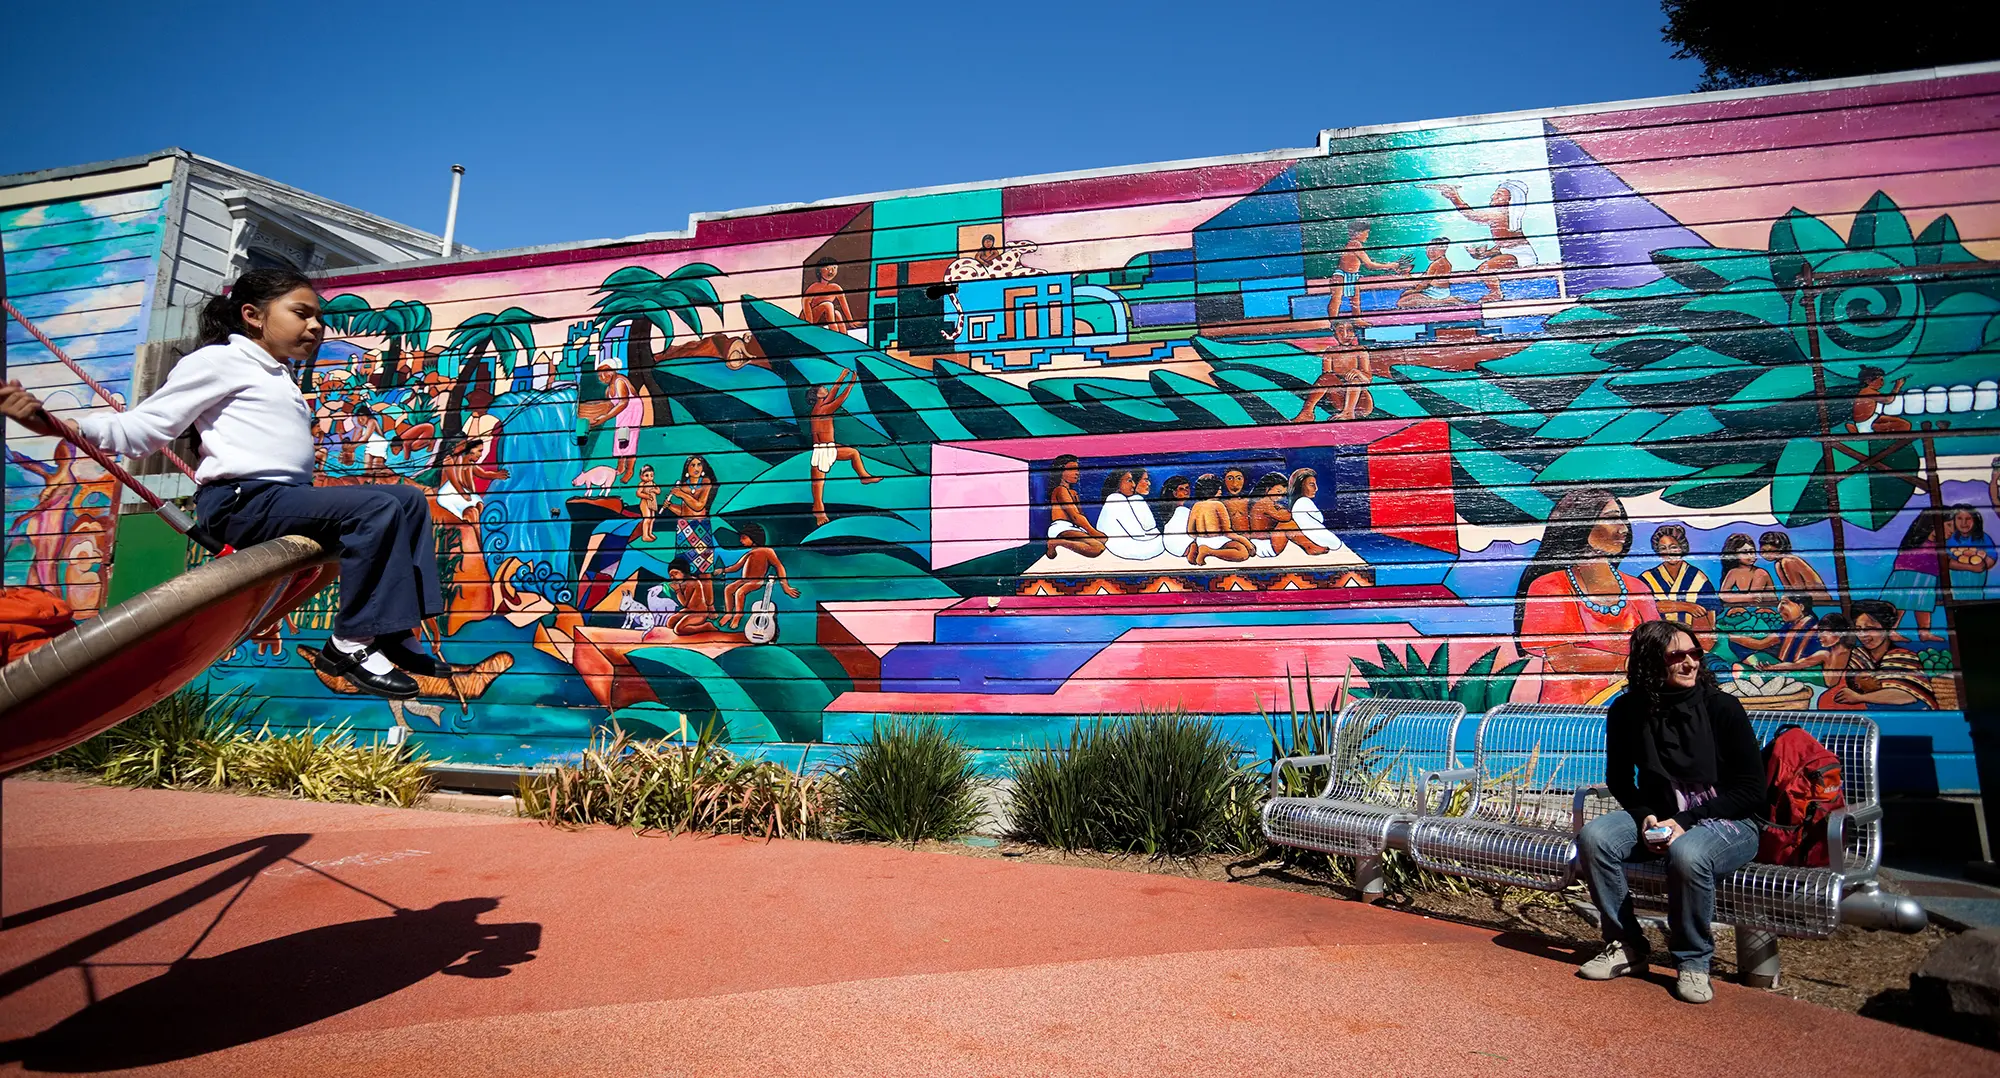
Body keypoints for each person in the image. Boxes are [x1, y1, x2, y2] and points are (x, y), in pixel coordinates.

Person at [0, 268, 446, 700]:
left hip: (279, 500)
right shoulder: (219, 361)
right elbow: (143, 430)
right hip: (241, 503)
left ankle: (393, 629)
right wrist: (55, 425)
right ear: (253, 315)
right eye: (301, 313)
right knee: (376, 508)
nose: (315, 326)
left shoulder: (278, 373)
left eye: (319, 318)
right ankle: (350, 644)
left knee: (406, 499)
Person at [1574, 620, 1766, 1005]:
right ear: (1650, 662)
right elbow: (1620, 778)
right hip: (1661, 815)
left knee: (1688, 853)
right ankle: (1626, 945)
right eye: (1676, 656)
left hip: (1730, 821)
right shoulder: (1628, 710)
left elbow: (1751, 790)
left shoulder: (1722, 707)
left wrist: (1685, 822)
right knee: (1595, 838)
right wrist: (1645, 814)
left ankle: (1693, 962)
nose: (1690, 663)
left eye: (1695, 654)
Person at [1517, 487, 1662, 705]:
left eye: (1623, 519)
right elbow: (1564, 659)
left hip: (1634, 709)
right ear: (1580, 525)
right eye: (1612, 519)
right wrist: (1634, 665)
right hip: (1572, 718)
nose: (1623, 528)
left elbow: (1656, 646)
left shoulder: (1637, 588)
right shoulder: (1550, 587)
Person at [1422, 179, 1536, 301]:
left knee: (1484, 269)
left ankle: (1496, 293)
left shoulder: (1500, 214)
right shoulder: (1502, 215)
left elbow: (1472, 216)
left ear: (1509, 199)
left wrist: (1454, 197)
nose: (1493, 196)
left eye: (1499, 194)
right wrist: (1484, 254)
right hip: (1513, 252)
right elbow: (1506, 244)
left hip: (1521, 255)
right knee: (1485, 267)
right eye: (1495, 193)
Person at [1828, 599, 1938, 709]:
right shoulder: (1856, 655)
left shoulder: (1903, 656)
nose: (1863, 635)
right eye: (1858, 629)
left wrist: (1859, 697)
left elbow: (1907, 695)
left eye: (1870, 629)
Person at [807, 369, 880, 526]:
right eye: (821, 388)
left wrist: (842, 376)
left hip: (827, 447)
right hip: (823, 450)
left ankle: (864, 477)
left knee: (852, 453)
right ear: (817, 394)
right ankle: (818, 509)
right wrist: (852, 383)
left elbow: (834, 391)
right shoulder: (822, 409)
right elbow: (841, 398)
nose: (825, 389)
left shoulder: (821, 406)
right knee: (818, 483)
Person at [1880, 509, 1949, 641]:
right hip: (1908, 574)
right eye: (1949, 525)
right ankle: (1891, 629)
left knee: (1924, 605)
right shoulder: (1919, 542)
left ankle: (1924, 632)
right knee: (1899, 602)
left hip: (1928, 577)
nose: (1952, 530)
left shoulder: (1936, 544)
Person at [717, 523, 800, 630]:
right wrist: (723, 570)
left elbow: (779, 566)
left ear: (754, 538)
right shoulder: (750, 553)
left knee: (740, 592)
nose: (741, 541)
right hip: (744, 580)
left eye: (744, 538)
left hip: (756, 581)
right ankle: (728, 613)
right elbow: (736, 567)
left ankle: (738, 615)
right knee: (728, 589)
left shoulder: (767, 551)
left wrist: (786, 586)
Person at [1637, 525, 1720, 631]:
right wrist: (1687, 607)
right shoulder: (1647, 578)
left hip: (1691, 639)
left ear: (1682, 547)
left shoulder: (1698, 577)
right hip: (1657, 637)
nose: (1669, 552)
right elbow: (1645, 606)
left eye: (1673, 547)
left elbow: (1710, 609)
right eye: (1663, 548)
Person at [1293, 322, 1374, 423]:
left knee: (1355, 380)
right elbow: (1325, 379)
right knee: (1327, 377)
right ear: (1334, 334)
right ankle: (1307, 412)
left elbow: (1368, 380)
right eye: (1340, 331)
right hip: (1338, 400)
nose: (1345, 335)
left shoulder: (1360, 350)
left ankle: (1348, 413)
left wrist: (1359, 373)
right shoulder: (1330, 351)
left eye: (1349, 330)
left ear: (1354, 333)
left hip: (1360, 403)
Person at [1328, 223, 1411, 319]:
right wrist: (1390, 265)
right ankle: (1333, 321)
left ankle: (1357, 319)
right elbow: (1369, 265)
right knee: (1337, 299)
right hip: (1341, 276)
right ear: (1358, 233)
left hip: (1352, 275)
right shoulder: (1355, 244)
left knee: (1355, 300)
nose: (1367, 236)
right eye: (1366, 232)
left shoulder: (1356, 244)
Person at [579, 363, 643, 483]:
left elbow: (624, 402)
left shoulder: (619, 382)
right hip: (622, 413)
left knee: (629, 438)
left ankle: (629, 469)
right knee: (620, 437)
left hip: (632, 411)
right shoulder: (609, 389)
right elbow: (611, 405)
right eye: (600, 375)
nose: (602, 377)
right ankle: (620, 465)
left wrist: (606, 417)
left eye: (605, 373)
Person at [1248, 471, 1327, 556]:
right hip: (1263, 545)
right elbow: (1285, 517)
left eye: (1283, 494)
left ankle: (1312, 545)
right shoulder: (1264, 502)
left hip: (1267, 541)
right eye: (1278, 491)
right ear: (1267, 489)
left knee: (1291, 524)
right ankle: (1311, 547)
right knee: (1286, 526)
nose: (1280, 496)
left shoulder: (1270, 503)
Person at [1093, 469, 1165, 560]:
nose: (1133, 485)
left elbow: (1149, 527)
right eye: (1129, 481)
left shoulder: (1133, 501)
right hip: (1130, 548)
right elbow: (1139, 533)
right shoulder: (1115, 499)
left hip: (1139, 545)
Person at [664, 454, 719, 574]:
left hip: (700, 527)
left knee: (704, 569)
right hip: (684, 528)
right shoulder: (683, 485)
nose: (696, 468)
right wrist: (670, 506)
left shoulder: (706, 482)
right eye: (692, 465)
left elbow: (699, 506)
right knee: (685, 569)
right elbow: (684, 512)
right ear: (687, 468)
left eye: (699, 464)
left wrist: (682, 494)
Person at [1729, 593, 1821, 664]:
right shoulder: (1792, 624)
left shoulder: (1810, 627)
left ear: (1801, 607)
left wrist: (1730, 637)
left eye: (1784, 603)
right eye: (1780, 603)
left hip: (1789, 666)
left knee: (1744, 649)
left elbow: (1760, 644)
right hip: (1785, 661)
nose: (1779, 608)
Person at [1044, 454, 1106, 557]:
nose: (1077, 473)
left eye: (1077, 470)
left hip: (1073, 527)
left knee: (1100, 543)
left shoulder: (1073, 493)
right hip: (1062, 528)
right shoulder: (1060, 490)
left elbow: (1080, 515)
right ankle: (1055, 542)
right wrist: (1094, 532)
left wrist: (1088, 532)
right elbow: (1074, 516)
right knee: (1097, 548)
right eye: (1072, 469)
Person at [1187, 474, 1253, 565]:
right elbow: (1227, 531)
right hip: (1217, 540)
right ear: (1214, 489)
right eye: (1220, 488)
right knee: (1243, 553)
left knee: (1201, 543)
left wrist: (1200, 538)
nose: (1221, 491)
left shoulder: (1196, 506)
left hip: (1200, 540)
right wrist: (1246, 543)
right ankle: (1208, 551)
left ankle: (1196, 547)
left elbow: (1190, 531)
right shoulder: (1218, 505)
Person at [1759, 531, 1831, 608]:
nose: (1765, 555)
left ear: (1781, 548)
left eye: (1770, 551)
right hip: (1806, 602)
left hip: (1817, 602)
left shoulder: (1788, 561)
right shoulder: (1778, 564)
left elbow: (1798, 589)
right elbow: (1788, 589)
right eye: (1763, 551)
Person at [1286, 468, 1346, 553]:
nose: (1316, 488)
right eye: (1311, 484)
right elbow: (1320, 518)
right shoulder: (1304, 501)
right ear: (1300, 486)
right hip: (1324, 540)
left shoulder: (1295, 504)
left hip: (1314, 538)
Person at [1945, 504, 1996, 601]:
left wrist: (1984, 565)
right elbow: (1946, 560)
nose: (1964, 523)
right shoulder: (1949, 538)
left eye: (1968, 518)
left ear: (1975, 520)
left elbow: (1992, 556)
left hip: (1976, 584)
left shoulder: (1983, 537)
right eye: (1959, 518)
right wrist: (1972, 567)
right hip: (1956, 583)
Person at [1717, 533, 1775, 615]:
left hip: (1767, 611)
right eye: (1745, 553)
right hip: (1751, 610)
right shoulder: (1734, 572)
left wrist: (1739, 598)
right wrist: (1746, 597)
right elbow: (1723, 595)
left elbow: (1755, 599)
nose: (1751, 556)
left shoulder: (1760, 573)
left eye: (1752, 551)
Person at [1395, 237, 1460, 308]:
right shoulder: (1443, 263)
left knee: (1401, 303)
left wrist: (1413, 291)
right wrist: (1407, 274)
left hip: (1435, 293)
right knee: (1404, 296)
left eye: (1433, 250)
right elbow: (1423, 279)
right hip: (1439, 291)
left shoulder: (1436, 264)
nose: (1430, 252)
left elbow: (1425, 283)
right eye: (1428, 249)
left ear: (1443, 251)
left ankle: (1441, 302)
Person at [1846, 366, 1910, 435]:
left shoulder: (1866, 391)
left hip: (1872, 418)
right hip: (1866, 424)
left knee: (1905, 424)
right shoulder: (1867, 391)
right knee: (1904, 426)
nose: (1882, 383)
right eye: (1881, 380)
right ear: (1868, 381)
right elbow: (1888, 400)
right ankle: (1871, 429)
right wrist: (1897, 387)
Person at [664, 556, 717, 635]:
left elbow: (685, 604)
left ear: (684, 572)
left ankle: (706, 626)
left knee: (678, 629)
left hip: (699, 613)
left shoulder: (691, 582)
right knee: (670, 623)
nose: (673, 577)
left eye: (676, 573)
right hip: (689, 610)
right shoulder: (682, 583)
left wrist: (677, 591)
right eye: (671, 575)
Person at [802, 261, 857, 333]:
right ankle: (834, 332)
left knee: (837, 313)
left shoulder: (836, 288)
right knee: (828, 305)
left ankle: (844, 337)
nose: (831, 272)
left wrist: (850, 321)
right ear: (820, 270)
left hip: (822, 319)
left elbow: (844, 305)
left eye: (834, 268)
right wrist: (809, 324)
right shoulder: (814, 287)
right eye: (827, 268)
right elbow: (805, 303)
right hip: (809, 318)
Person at [1156, 475, 1195, 560]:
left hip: (1173, 549)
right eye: (1181, 489)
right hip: (1184, 547)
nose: (1186, 491)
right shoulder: (1182, 511)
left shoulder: (1174, 511)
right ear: (1174, 493)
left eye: (1187, 488)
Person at [635, 465, 661, 543]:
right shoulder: (642, 484)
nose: (649, 477)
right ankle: (645, 535)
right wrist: (647, 496)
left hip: (652, 503)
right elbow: (638, 493)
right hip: (645, 503)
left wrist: (654, 490)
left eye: (651, 475)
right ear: (641, 476)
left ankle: (650, 533)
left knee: (652, 519)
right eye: (646, 475)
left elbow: (658, 491)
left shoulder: (652, 483)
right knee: (647, 518)